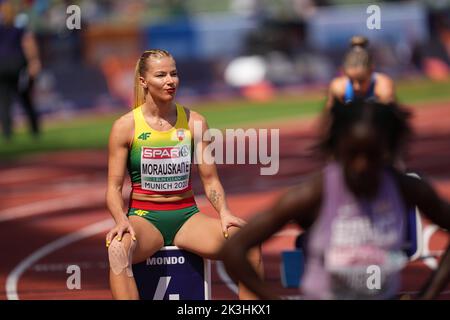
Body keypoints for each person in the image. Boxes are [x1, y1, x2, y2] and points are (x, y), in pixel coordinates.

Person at [220, 99, 450, 300]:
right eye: (352, 154)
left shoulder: (405, 188)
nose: (362, 166)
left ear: (389, 150)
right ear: (336, 149)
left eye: (372, 155)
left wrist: (428, 295)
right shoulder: (317, 193)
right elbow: (234, 249)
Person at [105, 49, 262, 300]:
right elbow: (113, 188)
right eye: (161, 75)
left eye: (174, 74)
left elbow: (210, 179)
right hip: (145, 220)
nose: (170, 81)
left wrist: (224, 212)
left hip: (187, 218)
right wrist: (120, 220)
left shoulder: (195, 122)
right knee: (117, 249)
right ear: (143, 82)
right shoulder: (125, 126)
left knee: (247, 243)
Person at [0, 0, 41, 140]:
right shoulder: (20, 27)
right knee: (25, 97)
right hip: (17, 65)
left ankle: (7, 134)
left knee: (4, 101)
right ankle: (35, 130)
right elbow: (28, 44)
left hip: (2, 66)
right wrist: (33, 61)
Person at [325, 36, 396, 109]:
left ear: (371, 71)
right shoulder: (338, 88)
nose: (356, 87)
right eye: (351, 81)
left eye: (361, 81)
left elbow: (390, 116)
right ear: (344, 72)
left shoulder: (382, 86)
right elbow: (329, 117)